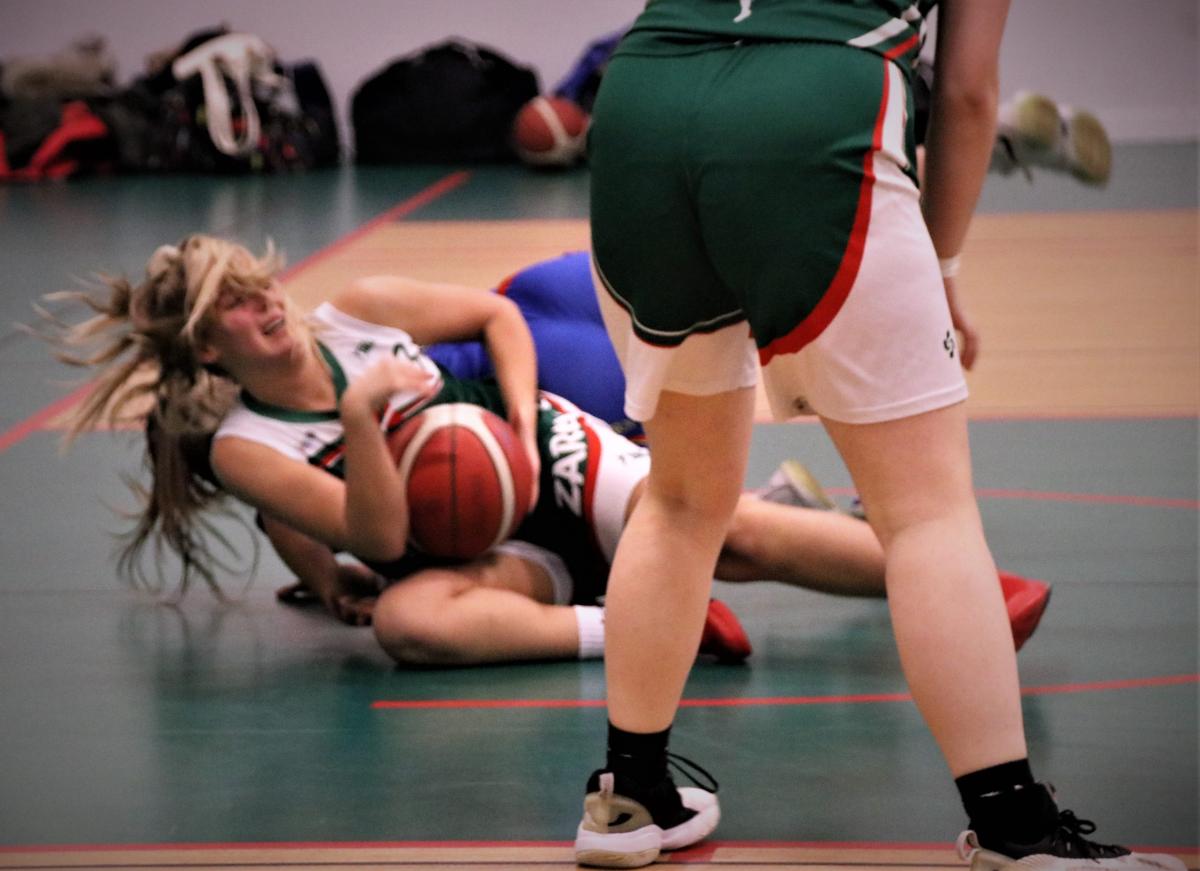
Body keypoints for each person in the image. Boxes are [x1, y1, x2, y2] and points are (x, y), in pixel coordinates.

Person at [578, 4, 1179, 871]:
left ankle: (626, 796)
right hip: (817, 103)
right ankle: (1016, 829)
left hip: (642, 106)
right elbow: (966, 95)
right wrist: (941, 267)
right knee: (926, 512)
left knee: (678, 496)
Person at [139, 249, 1048, 662]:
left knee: (724, 532)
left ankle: (970, 593)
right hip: (476, 553)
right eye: (236, 303)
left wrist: (522, 416)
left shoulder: (360, 310)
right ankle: (644, 630)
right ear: (209, 349)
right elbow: (376, 540)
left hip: (547, 453)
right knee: (408, 624)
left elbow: (496, 314)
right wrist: (360, 422)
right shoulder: (245, 447)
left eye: (257, 281)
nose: (266, 300)